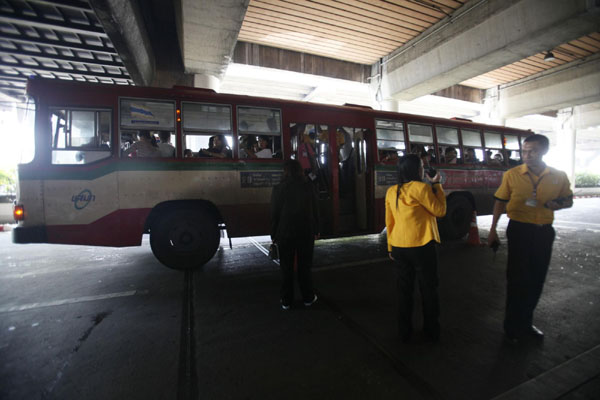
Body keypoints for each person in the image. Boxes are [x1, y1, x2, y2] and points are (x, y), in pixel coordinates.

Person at [487, 134, 573, 344]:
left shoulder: (558, 175)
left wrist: (559, 204)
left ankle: (526, 324)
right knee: (517, 279)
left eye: (532, 151)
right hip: (519, 231)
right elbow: (500, 201)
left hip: (544, 232)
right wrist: (492, 230)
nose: (527, 155)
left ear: (544, 151)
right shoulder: (512, 174)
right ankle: (512, 328)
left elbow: (569, 199)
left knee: (537, 279)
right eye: (524, 151)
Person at [385, 154, 446, 342]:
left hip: (398, 246)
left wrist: (390, 247)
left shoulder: (391, 191)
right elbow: (440, 211)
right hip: (422, 246)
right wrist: (437, 185)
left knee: (404, 291)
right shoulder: (421, 189)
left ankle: (404, 332)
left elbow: (390, 221)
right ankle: (431, 331)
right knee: (428, 289)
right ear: (417, 169)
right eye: (421, 165)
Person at [271, 159, 320, 310]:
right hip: (305, 232)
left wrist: (273, 234)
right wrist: (317, 229)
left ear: (285, 172)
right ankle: (308, 298)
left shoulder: (278, 188)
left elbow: (274, 214)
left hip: (285, 233)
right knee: (305, 266)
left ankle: (286, 301)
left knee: (286, 267)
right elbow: (315, 210)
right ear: (299, 170)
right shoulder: (308, 186)